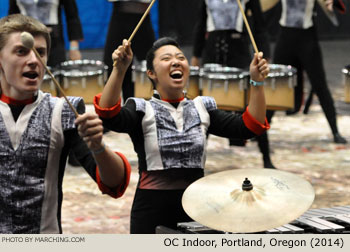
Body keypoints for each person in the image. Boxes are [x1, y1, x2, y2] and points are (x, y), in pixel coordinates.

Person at [93, 37, 270, 233]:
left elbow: (250, 126)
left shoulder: (202, 107)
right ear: (151, 73)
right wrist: (119, 69)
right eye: (166, 58)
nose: (176, 61)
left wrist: (257, 82)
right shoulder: (141, 108)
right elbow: (108, 112)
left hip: (198, 208)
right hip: (151, 210)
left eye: (180, 57)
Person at [0, 14, 131, 234]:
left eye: (40, 52)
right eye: (21, 51)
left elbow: (114, 184)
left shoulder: (63, 111)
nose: (34, 60)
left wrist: (98, 145)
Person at [191, 0, 276, 168]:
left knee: (249, 103)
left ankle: (266, 159)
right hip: (212, 51)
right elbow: (201, 23)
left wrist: (264, 53)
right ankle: (195, 161)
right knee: (206, 106)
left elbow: (259, 27)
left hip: (239, 51)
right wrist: (196, 54)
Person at [9, 0, 85, 166]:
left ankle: (73, 150)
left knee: (62, 95)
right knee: (25, 95)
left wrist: (74, 46)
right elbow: (11, 16)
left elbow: (72, 15)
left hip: (53, 40)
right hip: (22, 43)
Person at [272, 0, 347, 144]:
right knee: (274, 83)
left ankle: (335, 131)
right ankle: (260, 130)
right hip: (285, 36)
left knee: (320, 84)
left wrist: (332, 3)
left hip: (306, 37)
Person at [103, 0, 155, 102]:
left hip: (143, 17)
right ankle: (119, 107)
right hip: (119, 17)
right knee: (114, 64)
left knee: (154, 65)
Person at [8, 0, 83, 68]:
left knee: (54, 76)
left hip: (54, 43)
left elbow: (72, 16)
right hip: (25, 42)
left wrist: (74, 48)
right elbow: (12, 17)